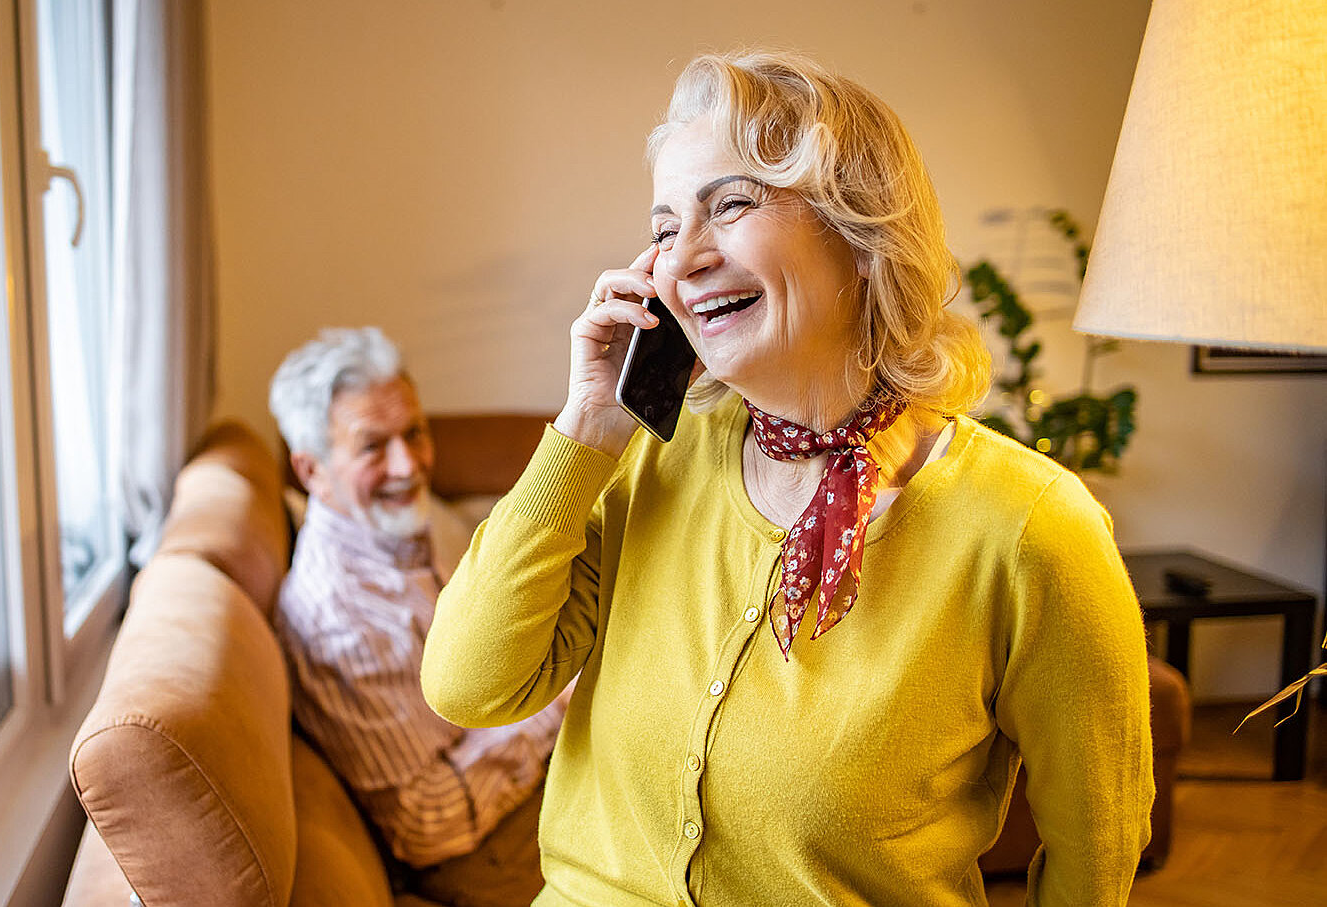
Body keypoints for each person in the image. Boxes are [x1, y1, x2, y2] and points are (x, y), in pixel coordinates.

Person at [421, 51, 1154, 906]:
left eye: (729, 205)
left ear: (860, 231)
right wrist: (586, 426)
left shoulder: (1029, 527)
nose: (683, 258)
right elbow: (469, 684)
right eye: (663, 229)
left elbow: (1093, 845)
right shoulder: (650, 457)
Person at [270, 327, 565, 907]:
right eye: (373, 447)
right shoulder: (345, 621)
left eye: (414, 433)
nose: (409, 467)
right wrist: (556, 703)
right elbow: (429, 824)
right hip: (483, 851)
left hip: (521, 768)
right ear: (311, 472)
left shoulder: (400, 529)